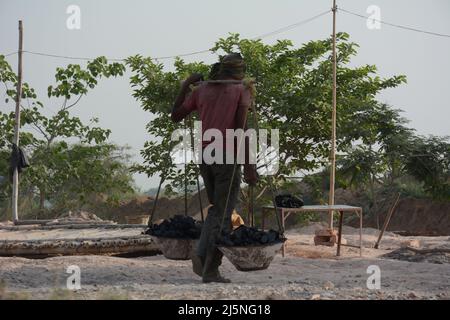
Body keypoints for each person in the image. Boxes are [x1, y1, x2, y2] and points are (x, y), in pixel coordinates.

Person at [171, 53, 257, 283]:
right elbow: (240, 130)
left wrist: (185, 85)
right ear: (238, 72)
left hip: (206, 156)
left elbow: (175, 116)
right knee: (224, 214)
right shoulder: (242, 90)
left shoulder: (200, 90)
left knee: (216, 210)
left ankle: (201, 254)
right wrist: (249, 166)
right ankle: (210, 268)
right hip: (227, 157)